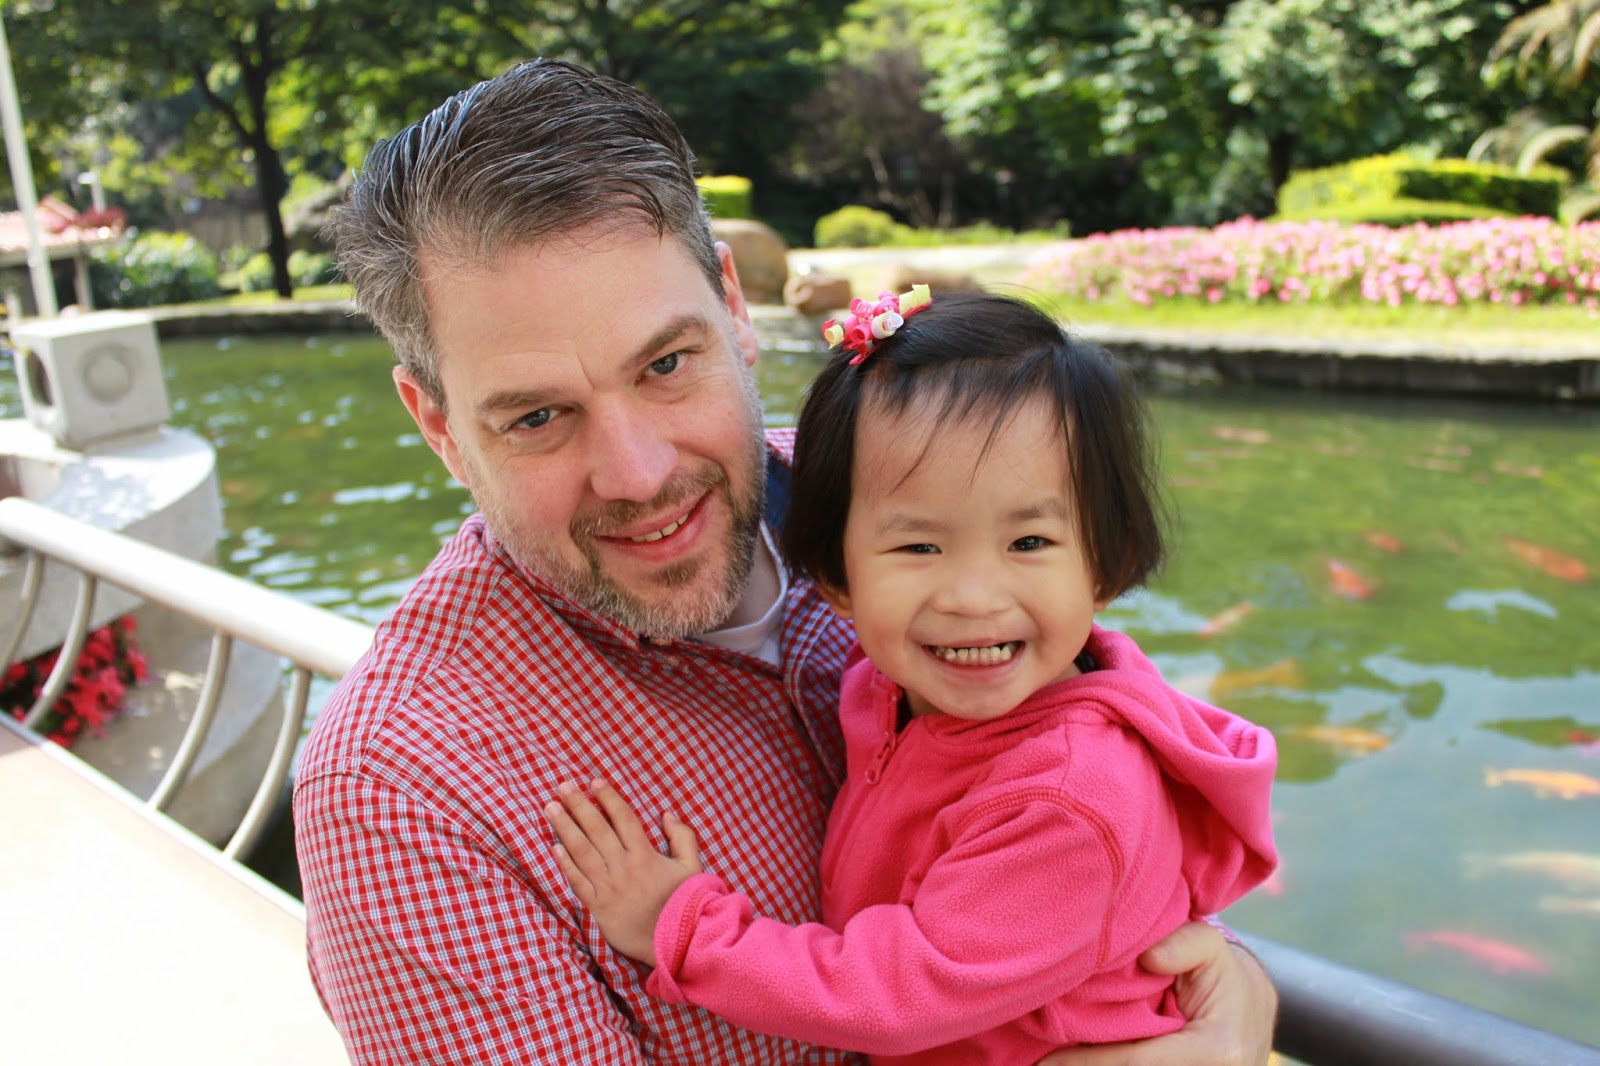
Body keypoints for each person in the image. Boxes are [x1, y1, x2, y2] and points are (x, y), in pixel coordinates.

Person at [295, 56, 1280, 1064]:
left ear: (733, 306)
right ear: (438, 426)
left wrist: (1231, 997)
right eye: (538, 418)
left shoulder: (918, 501)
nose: (637, 474)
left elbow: (1091, 822)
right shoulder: (407, 793)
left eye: (666, 364)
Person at [543, 288, 1279, 1063]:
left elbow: (890, 996)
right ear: (835, 580)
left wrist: (683, 929)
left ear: (1105, 564)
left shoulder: (1067, 799)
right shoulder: (886, 684)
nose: (973, 598)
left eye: (1029, 543)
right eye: (919, 548)